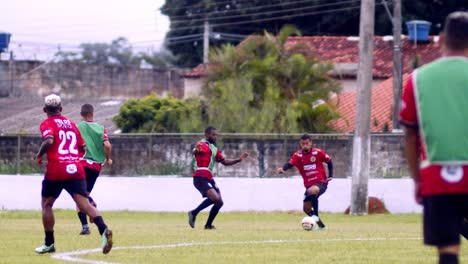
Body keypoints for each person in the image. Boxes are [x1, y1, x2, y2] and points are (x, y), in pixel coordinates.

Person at [400, 12, 468, 264]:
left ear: (440, 40)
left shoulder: (417, 79)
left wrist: (417, 180)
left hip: (436, 177)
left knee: (448, 252)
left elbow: (409, 134)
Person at [34, 94, 113, 254]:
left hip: (57, 168)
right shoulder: (71, 125)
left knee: (47, 205)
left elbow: (49, 140)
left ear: (44, 110)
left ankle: (49, 243)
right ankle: (103, 229)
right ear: (61, 109)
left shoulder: (47, 123)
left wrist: (39, 155)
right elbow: (82, 148)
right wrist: (72, 158)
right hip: (75, 167)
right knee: (84, 204)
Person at [188, 126, 248, 229]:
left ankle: (208, 225)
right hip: (200, 176)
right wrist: (195, 150)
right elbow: (195, 150)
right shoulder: (202, 144)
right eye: (213, 135)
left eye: (216, 135)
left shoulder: (214, 149)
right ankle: (193, 213)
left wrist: (239, 160)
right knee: (214, 198)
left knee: (219, 202)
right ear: (206, 135)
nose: (215, 137)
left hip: (209, 177)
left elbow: (225, 162)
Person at [276, 134, 333, 230]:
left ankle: (318, 222)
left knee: (313, 190)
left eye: (307, 143)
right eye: (303, 144)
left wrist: (330, 175)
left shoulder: (318, 152)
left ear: (311, 143)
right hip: (308, 185)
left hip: (321, 183)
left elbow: (329, 161)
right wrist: (283, 169)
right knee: (306, 208)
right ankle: (320, 225)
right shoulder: (298, 155)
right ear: (300, 144)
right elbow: (290, 164)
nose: (305, 146)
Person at [76, 104, 113, 235]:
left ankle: (85, 226)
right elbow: (107, 145)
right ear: (93, 113)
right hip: (96, 167)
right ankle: (89, 208)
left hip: (82, 163)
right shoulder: (101, 128)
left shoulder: (78, 127)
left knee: (79, 196)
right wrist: (108, 159)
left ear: (81, 114)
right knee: (83, 193)